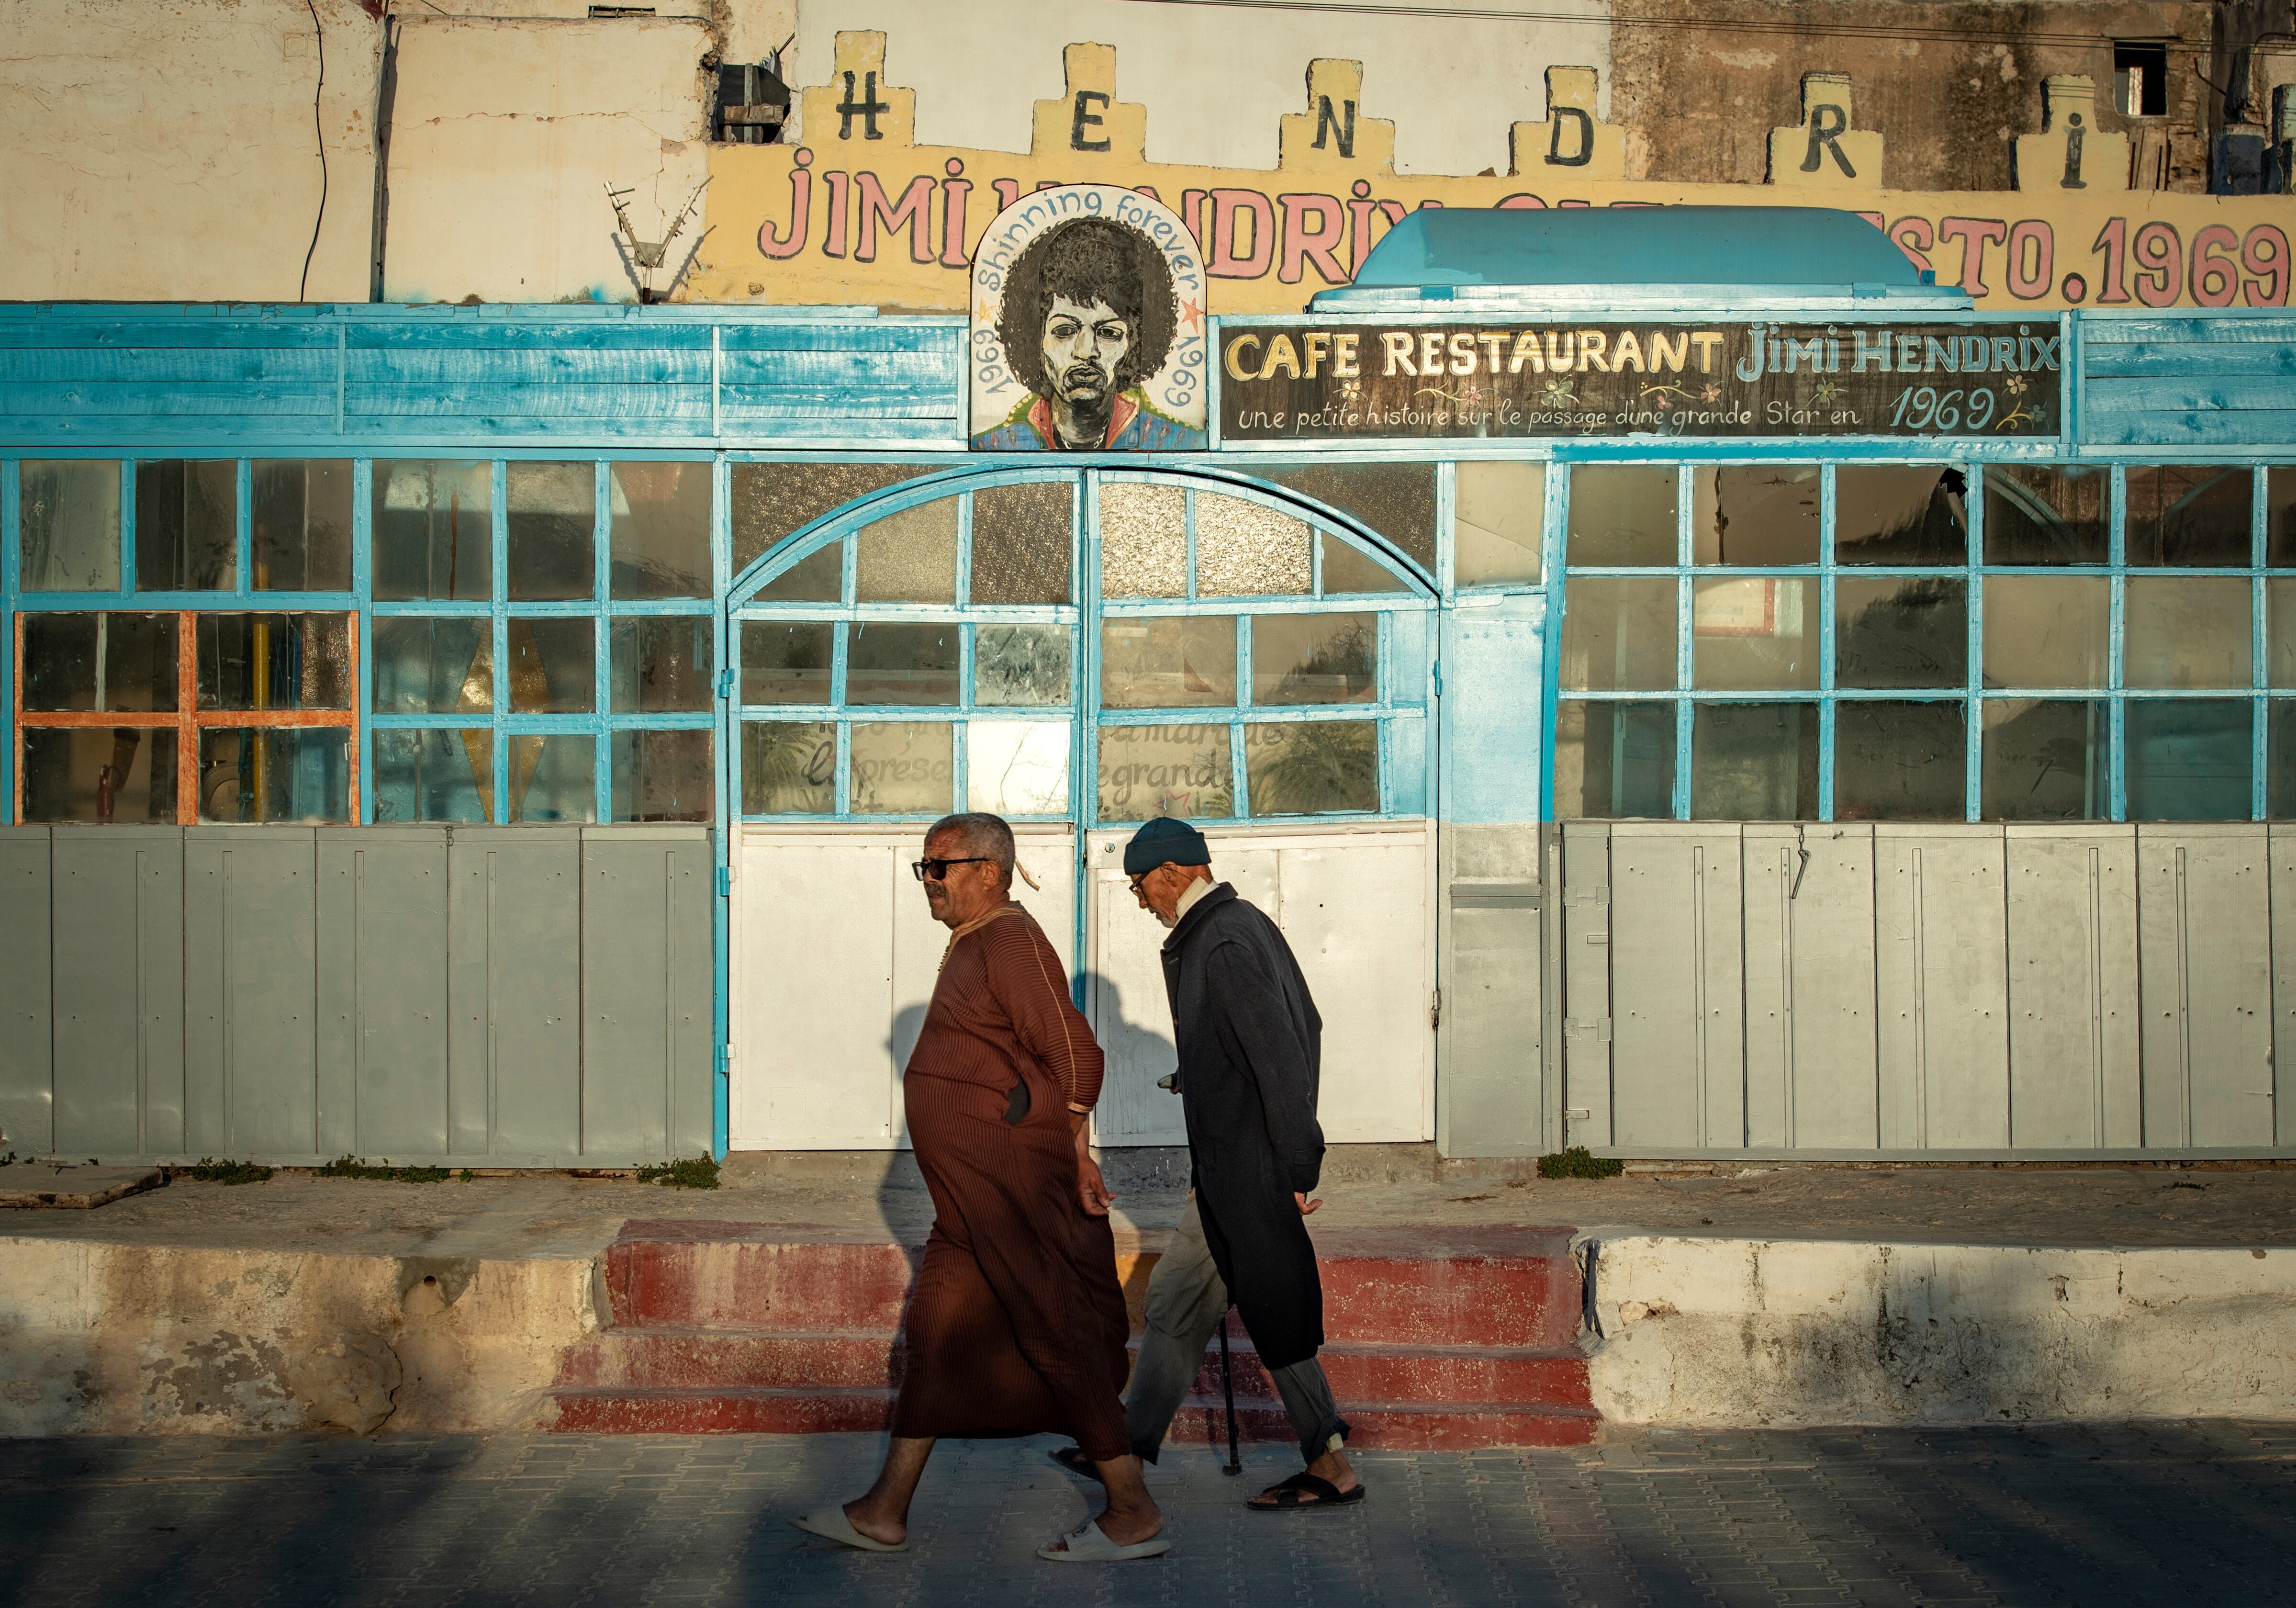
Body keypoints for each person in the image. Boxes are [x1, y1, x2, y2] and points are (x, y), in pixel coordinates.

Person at [792, 812, 1168, 1563]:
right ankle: (884, 1508)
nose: (928, 881)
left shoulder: (1009, 939)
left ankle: (1131, 1507)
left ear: (989, 871)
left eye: (941, 866)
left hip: (1008, 1188)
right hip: (969, 1198)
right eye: (922, 868)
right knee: (936, 1334)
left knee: (1053, 1328)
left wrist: (1067, 1149)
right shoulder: (978, 939)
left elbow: (1076, 1055)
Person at [1052, 815, 1363, 1512]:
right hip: (1226, 1165)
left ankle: (1330, 1462)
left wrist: (1294, 1167)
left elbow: (1282, 1053)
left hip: (1252, 1165)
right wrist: (1201, 1073)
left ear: (1170, 872)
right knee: (1175, 1303)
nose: (1138, 898)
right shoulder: (1236, 923)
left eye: (1138, 884)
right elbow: (1295, 1027)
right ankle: (1128, 1445)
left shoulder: (1220, 939)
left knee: (1276, 1313)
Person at [971, 215, 1206, 451]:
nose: (1085, 352)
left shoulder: (1177, 444)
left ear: (1134, 344)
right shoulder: (994, 447)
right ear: (1035, 340)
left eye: (1109, 333)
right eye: (1064, 331)